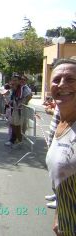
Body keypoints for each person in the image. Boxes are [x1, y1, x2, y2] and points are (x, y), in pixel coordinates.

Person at [45, 59, 76, 235]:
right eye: (57, 80)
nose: (62, 84)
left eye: (71, 79)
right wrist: (59, 215)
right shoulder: (62, 124)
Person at [4, 74, 32, 147]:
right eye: (13, 80)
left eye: (16, 80)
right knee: (13, 125)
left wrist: (22, 103)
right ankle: (17, 140)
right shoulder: (14, 88)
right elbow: (12, 97)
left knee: (18, 126)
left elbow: (29, 95)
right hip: (14, 109)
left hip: (20, 110)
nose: (14, 82)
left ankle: (19, 141)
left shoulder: (23, 88)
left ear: (19, 81)